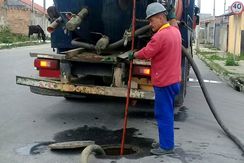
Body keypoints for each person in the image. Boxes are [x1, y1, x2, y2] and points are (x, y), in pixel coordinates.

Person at [128, 2, 182, 155]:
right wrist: (172, 16)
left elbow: (147, 52)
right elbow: (174, 24)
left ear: (160, 17)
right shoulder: (175, 32)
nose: (150, 24)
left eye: (151, 20)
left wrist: (134, 54)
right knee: (167, 113)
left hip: (164, 82)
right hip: (174, 81)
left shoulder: (160, 36)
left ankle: (166, 147)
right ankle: (166, 142)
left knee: (163, 114)